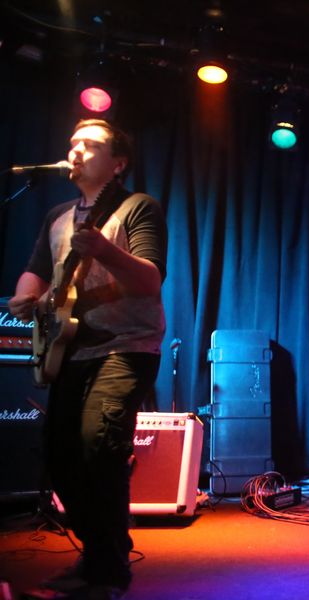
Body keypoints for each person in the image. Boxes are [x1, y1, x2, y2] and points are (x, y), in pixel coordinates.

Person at [9, 118, 167, 599]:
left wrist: (105, 251)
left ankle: (109, 571)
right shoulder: (57, 215)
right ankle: (99, 556)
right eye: (73, 142)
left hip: (126, 344)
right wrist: (25, 297)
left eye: (91, 145)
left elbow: (150, 280)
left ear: (118, 163)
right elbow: (36, 272)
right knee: (60, 457)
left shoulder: (137, 207)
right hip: (69, 348)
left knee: (99, 445)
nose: (76, 150)